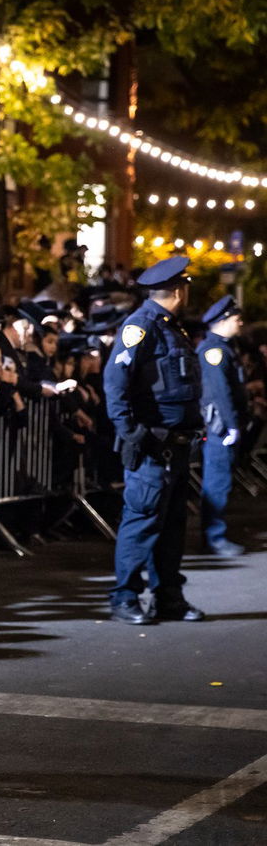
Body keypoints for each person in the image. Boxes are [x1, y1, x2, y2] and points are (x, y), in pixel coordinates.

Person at [101, 255, 203, 625]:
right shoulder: (141, 327)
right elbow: (116, 384)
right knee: (141, 521)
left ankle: (168, 597)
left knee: (171, 526)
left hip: (174, 446)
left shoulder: (171, 328)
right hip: (152, 446)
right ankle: (125, 596)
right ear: (178, 290)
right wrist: (133, 433)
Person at [197, 295, 246, 557]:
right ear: (224, 320)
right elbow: (220, 392)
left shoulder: (223, 347)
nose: (240, 323)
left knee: (219, 480)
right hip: (219, 426)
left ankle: (214, 535)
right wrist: (230, 425)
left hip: (221, 426)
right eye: (237, 319)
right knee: (217, 482)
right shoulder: (213, 350)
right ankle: (214, 536)